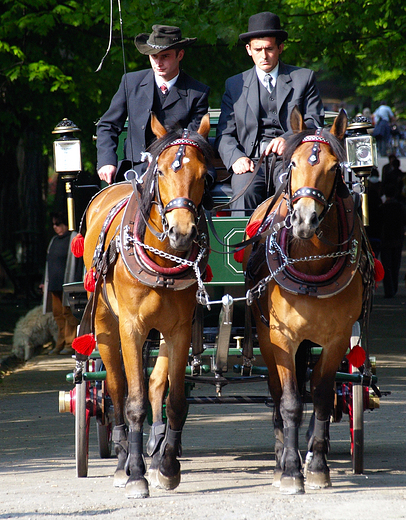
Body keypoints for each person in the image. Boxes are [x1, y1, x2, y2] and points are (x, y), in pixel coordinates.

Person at [215, 11, 324, 214]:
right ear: (249, 50)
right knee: (243, 194)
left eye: (269, 49)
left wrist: (289, 138)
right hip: (251, 163)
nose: (263, 56)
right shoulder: (234, 84)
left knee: (293, 191)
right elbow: (224, 134)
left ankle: (292, 245)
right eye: (258, 49)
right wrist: (236, 158)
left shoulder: (304, 78)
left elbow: (314, 121)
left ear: (280, 48)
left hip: (291, 160)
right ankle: (243, 247)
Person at [96, 24, 210, 184]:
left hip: (176, 171)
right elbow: (108, 126)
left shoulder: (197, 92)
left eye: (165, 56)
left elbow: (193, 140)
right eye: (154, 56)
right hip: (134, 170)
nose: (158, 62)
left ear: (180, 55)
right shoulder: (131, 82)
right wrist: (106, 161)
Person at [41, 212, 83, 355]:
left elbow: (79, 262)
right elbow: (48, 262)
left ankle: (70, 343)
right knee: (58, 314)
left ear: (66, 224)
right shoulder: (53, 240)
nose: (55, 227)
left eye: (58, 224)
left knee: (69, 314)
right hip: (54, 284)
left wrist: (77, 283)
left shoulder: (74, 238)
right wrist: (43, 282)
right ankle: (60, 343)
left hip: (68, 284)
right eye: (53, 224)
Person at [379, 184, 406, 298]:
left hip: (386, 240)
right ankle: (394, 287)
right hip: (398, 239)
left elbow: (379, 223)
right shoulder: (401, 207)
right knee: (396, 265)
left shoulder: (383, 208)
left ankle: (389, 290)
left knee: (387, 266)